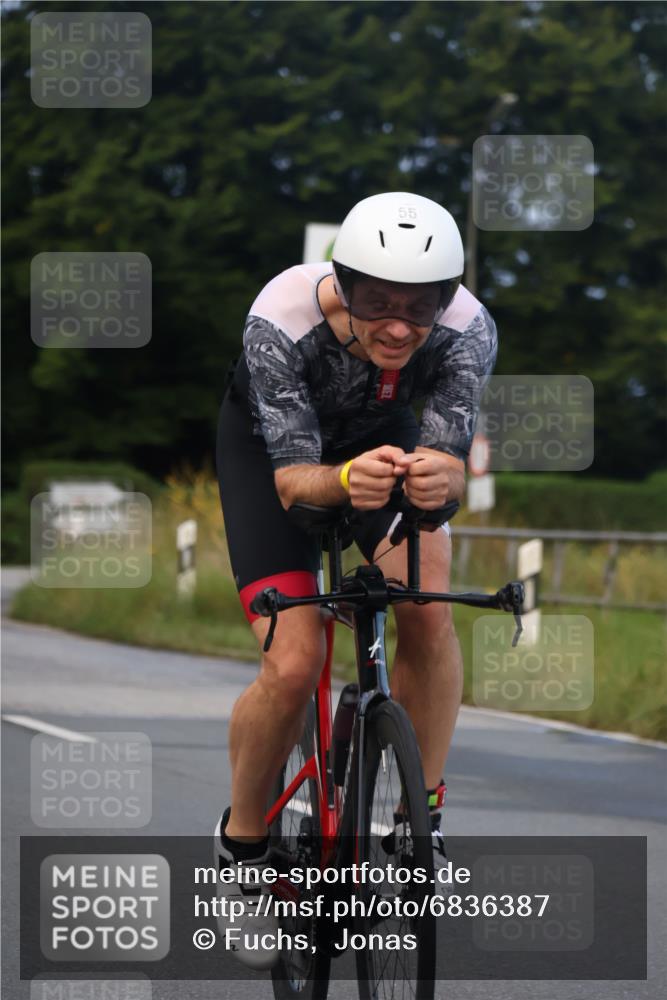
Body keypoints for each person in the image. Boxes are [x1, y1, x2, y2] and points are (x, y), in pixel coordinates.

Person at [214, 191, 497, 968]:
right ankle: (242, 850)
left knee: (429, 610)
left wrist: (442, 481)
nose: (401, 327)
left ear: (447, 298)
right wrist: (341, 478)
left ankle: (420, 816)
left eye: (421, 307)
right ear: (341, 283)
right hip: (279, 458)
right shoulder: (282, 316)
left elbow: (445, 458)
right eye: (378, 304)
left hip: (386, 446)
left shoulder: (468, 329)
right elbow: (295, 484)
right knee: (296, 660)